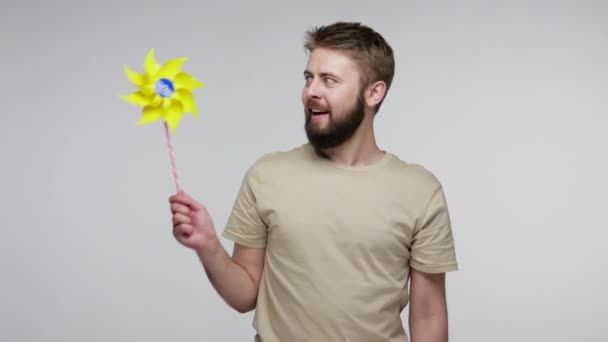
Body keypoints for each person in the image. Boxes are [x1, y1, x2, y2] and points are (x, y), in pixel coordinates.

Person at [169, 21, 458, 342]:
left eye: (329, 80)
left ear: (374, 92)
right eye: (309, 78)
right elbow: (244, 295)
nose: (311, 92)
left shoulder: (420, 190)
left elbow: (429, 313)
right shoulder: (267, 175)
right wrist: (208, 246)